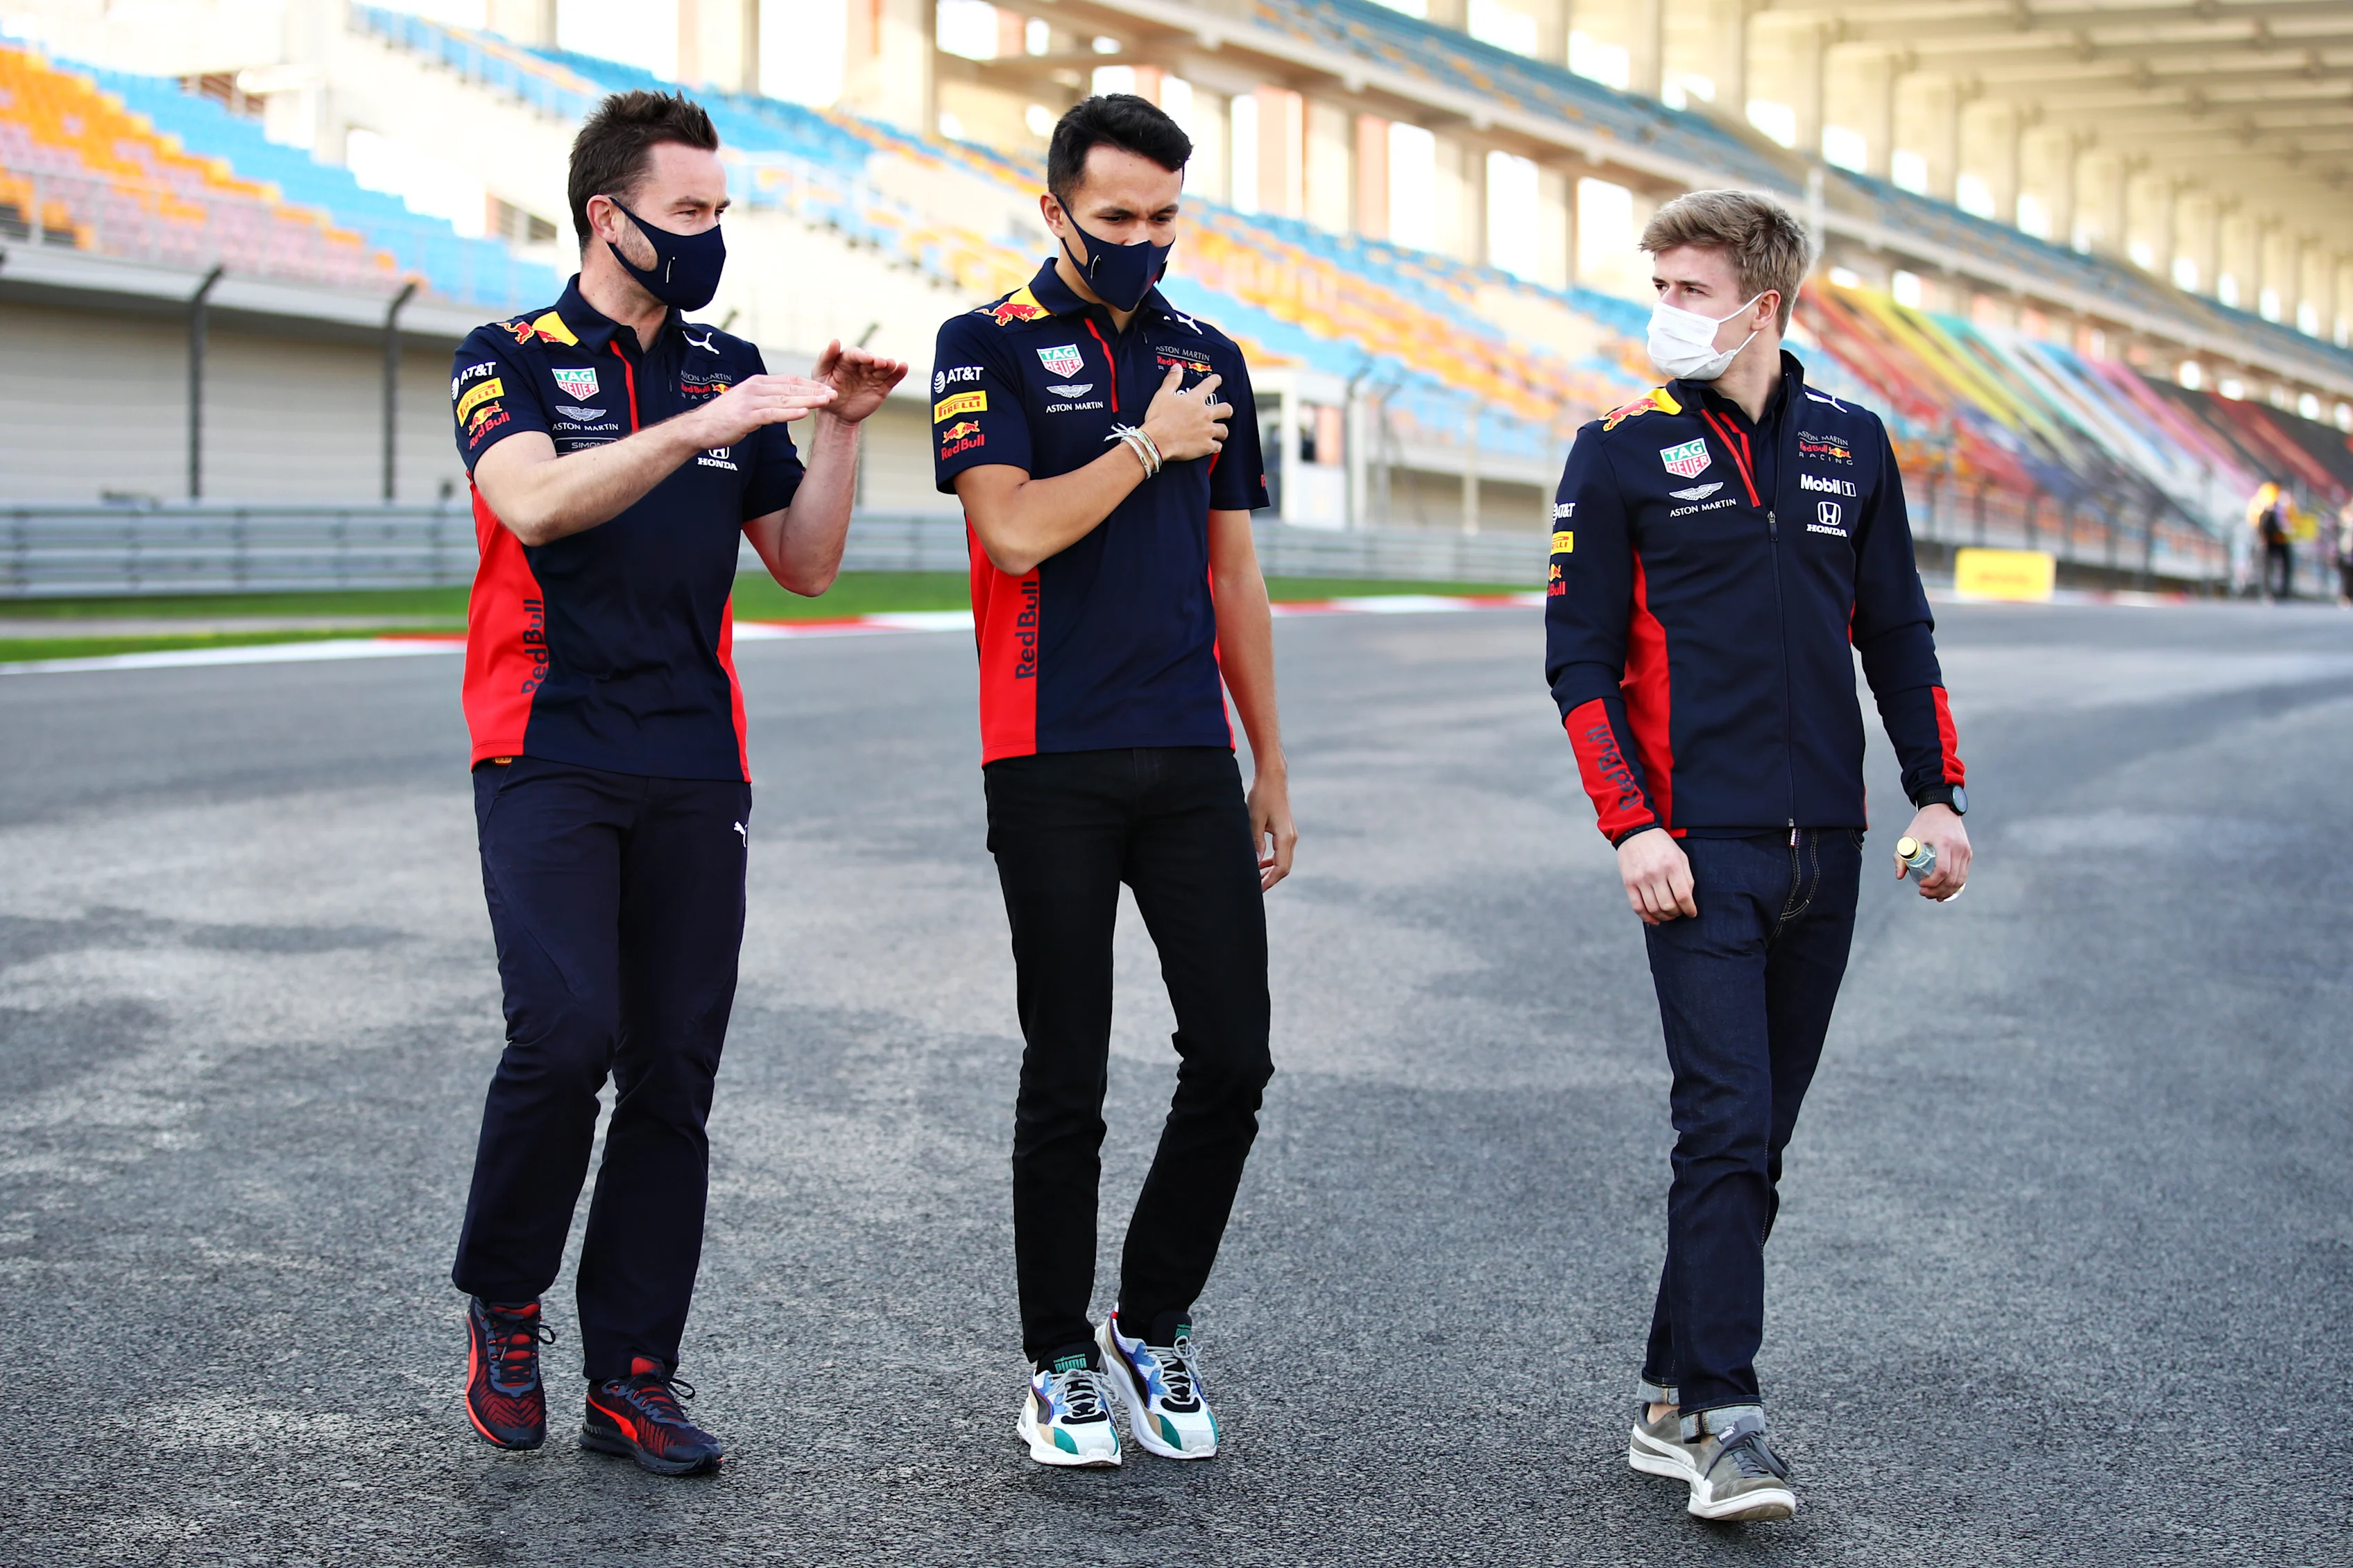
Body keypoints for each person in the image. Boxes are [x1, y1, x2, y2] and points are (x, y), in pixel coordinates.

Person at [449, 89, 905, 1476]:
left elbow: (808, 564)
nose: (712, 235)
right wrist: (695, 432)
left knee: (672, 1070)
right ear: (609, 214)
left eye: (720, 211)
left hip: (694, 754)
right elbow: (529, 501)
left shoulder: (733, 361)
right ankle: (505, 1296)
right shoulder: (508, 354)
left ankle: (633, 1373)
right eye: (690, 211)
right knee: (566, 1028)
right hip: (546, 739)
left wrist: (835, 429)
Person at [1544, 190, 1972, 1522]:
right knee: (1721, 1121)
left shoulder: (1854, 441)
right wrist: (1632, 825)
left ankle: (1671, 1391)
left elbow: (1895, 632)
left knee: (1759, 1140)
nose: (1662, 309)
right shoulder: (1612, 450)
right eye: (1658, 284)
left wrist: (1938, 796)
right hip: (1694, 850)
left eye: (1686, 288)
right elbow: (1576, 661)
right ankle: (1726, 1420)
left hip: (1830, 851)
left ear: (1761, 305)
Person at [930, 94, 1295, 1470]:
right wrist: (1143, 440)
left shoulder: (1211, 355)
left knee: (1237, 1053)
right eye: (1117, 218)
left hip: (1191, 754)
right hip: (1049, 754)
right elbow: (1016, 530)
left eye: (1163, 219)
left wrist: (1270, 759)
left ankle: (1151, 1317)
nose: (1142, 242)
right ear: (1055, 209)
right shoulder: (986, 343)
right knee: (1066, 1066)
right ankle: (1057, 1358)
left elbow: (1234, 570)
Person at [2250, 481, 2292, 601]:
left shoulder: (2266, 497)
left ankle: (2272, 592)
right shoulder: (2277, 500)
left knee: (2269, 567)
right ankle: (2273, 592)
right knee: (2270, 567)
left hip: (2275, 538)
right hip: (2275, 538)